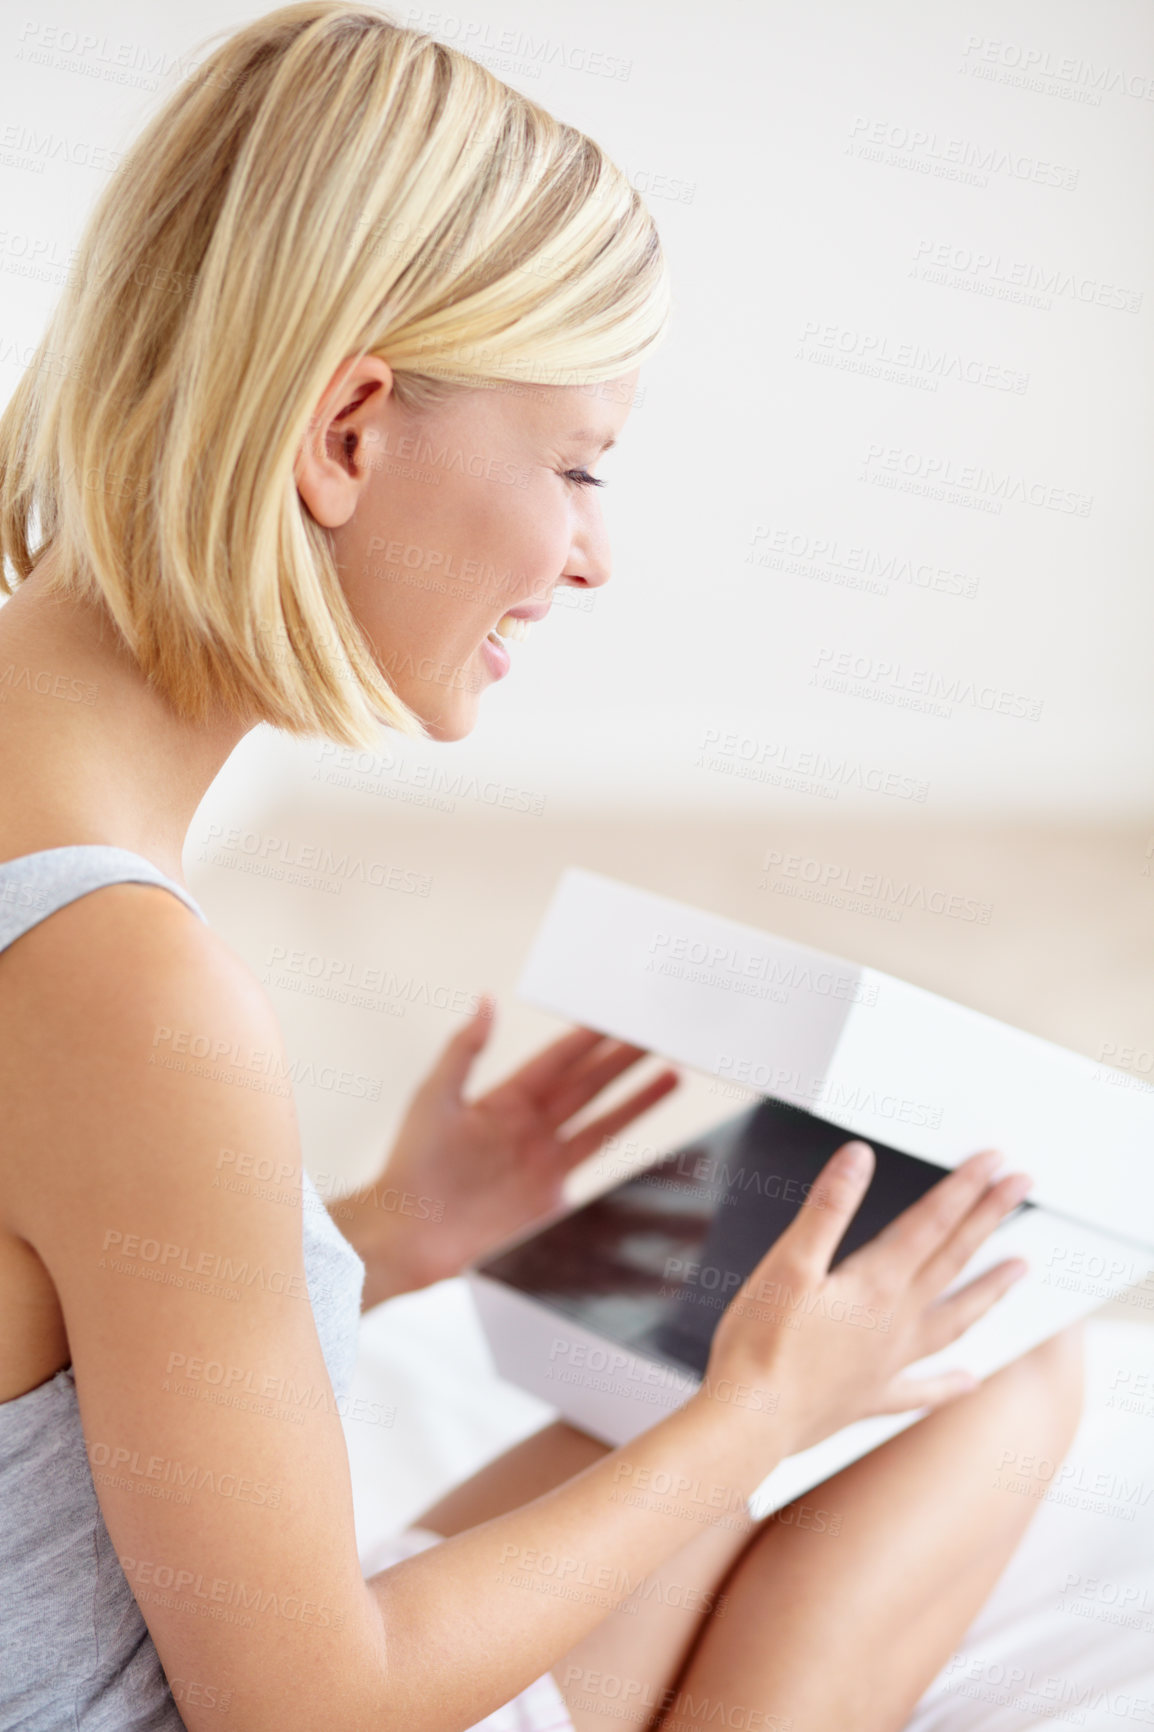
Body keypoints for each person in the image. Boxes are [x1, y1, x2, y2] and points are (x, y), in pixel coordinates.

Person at [0, 5, 1083, 1729]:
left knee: (940, 1360)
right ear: (346, 434)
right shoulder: (124, 983)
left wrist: (374, 1235)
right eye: (576, 464)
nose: (591, 556)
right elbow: (307, 1717)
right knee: (993, 1380)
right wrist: (756, 1416)